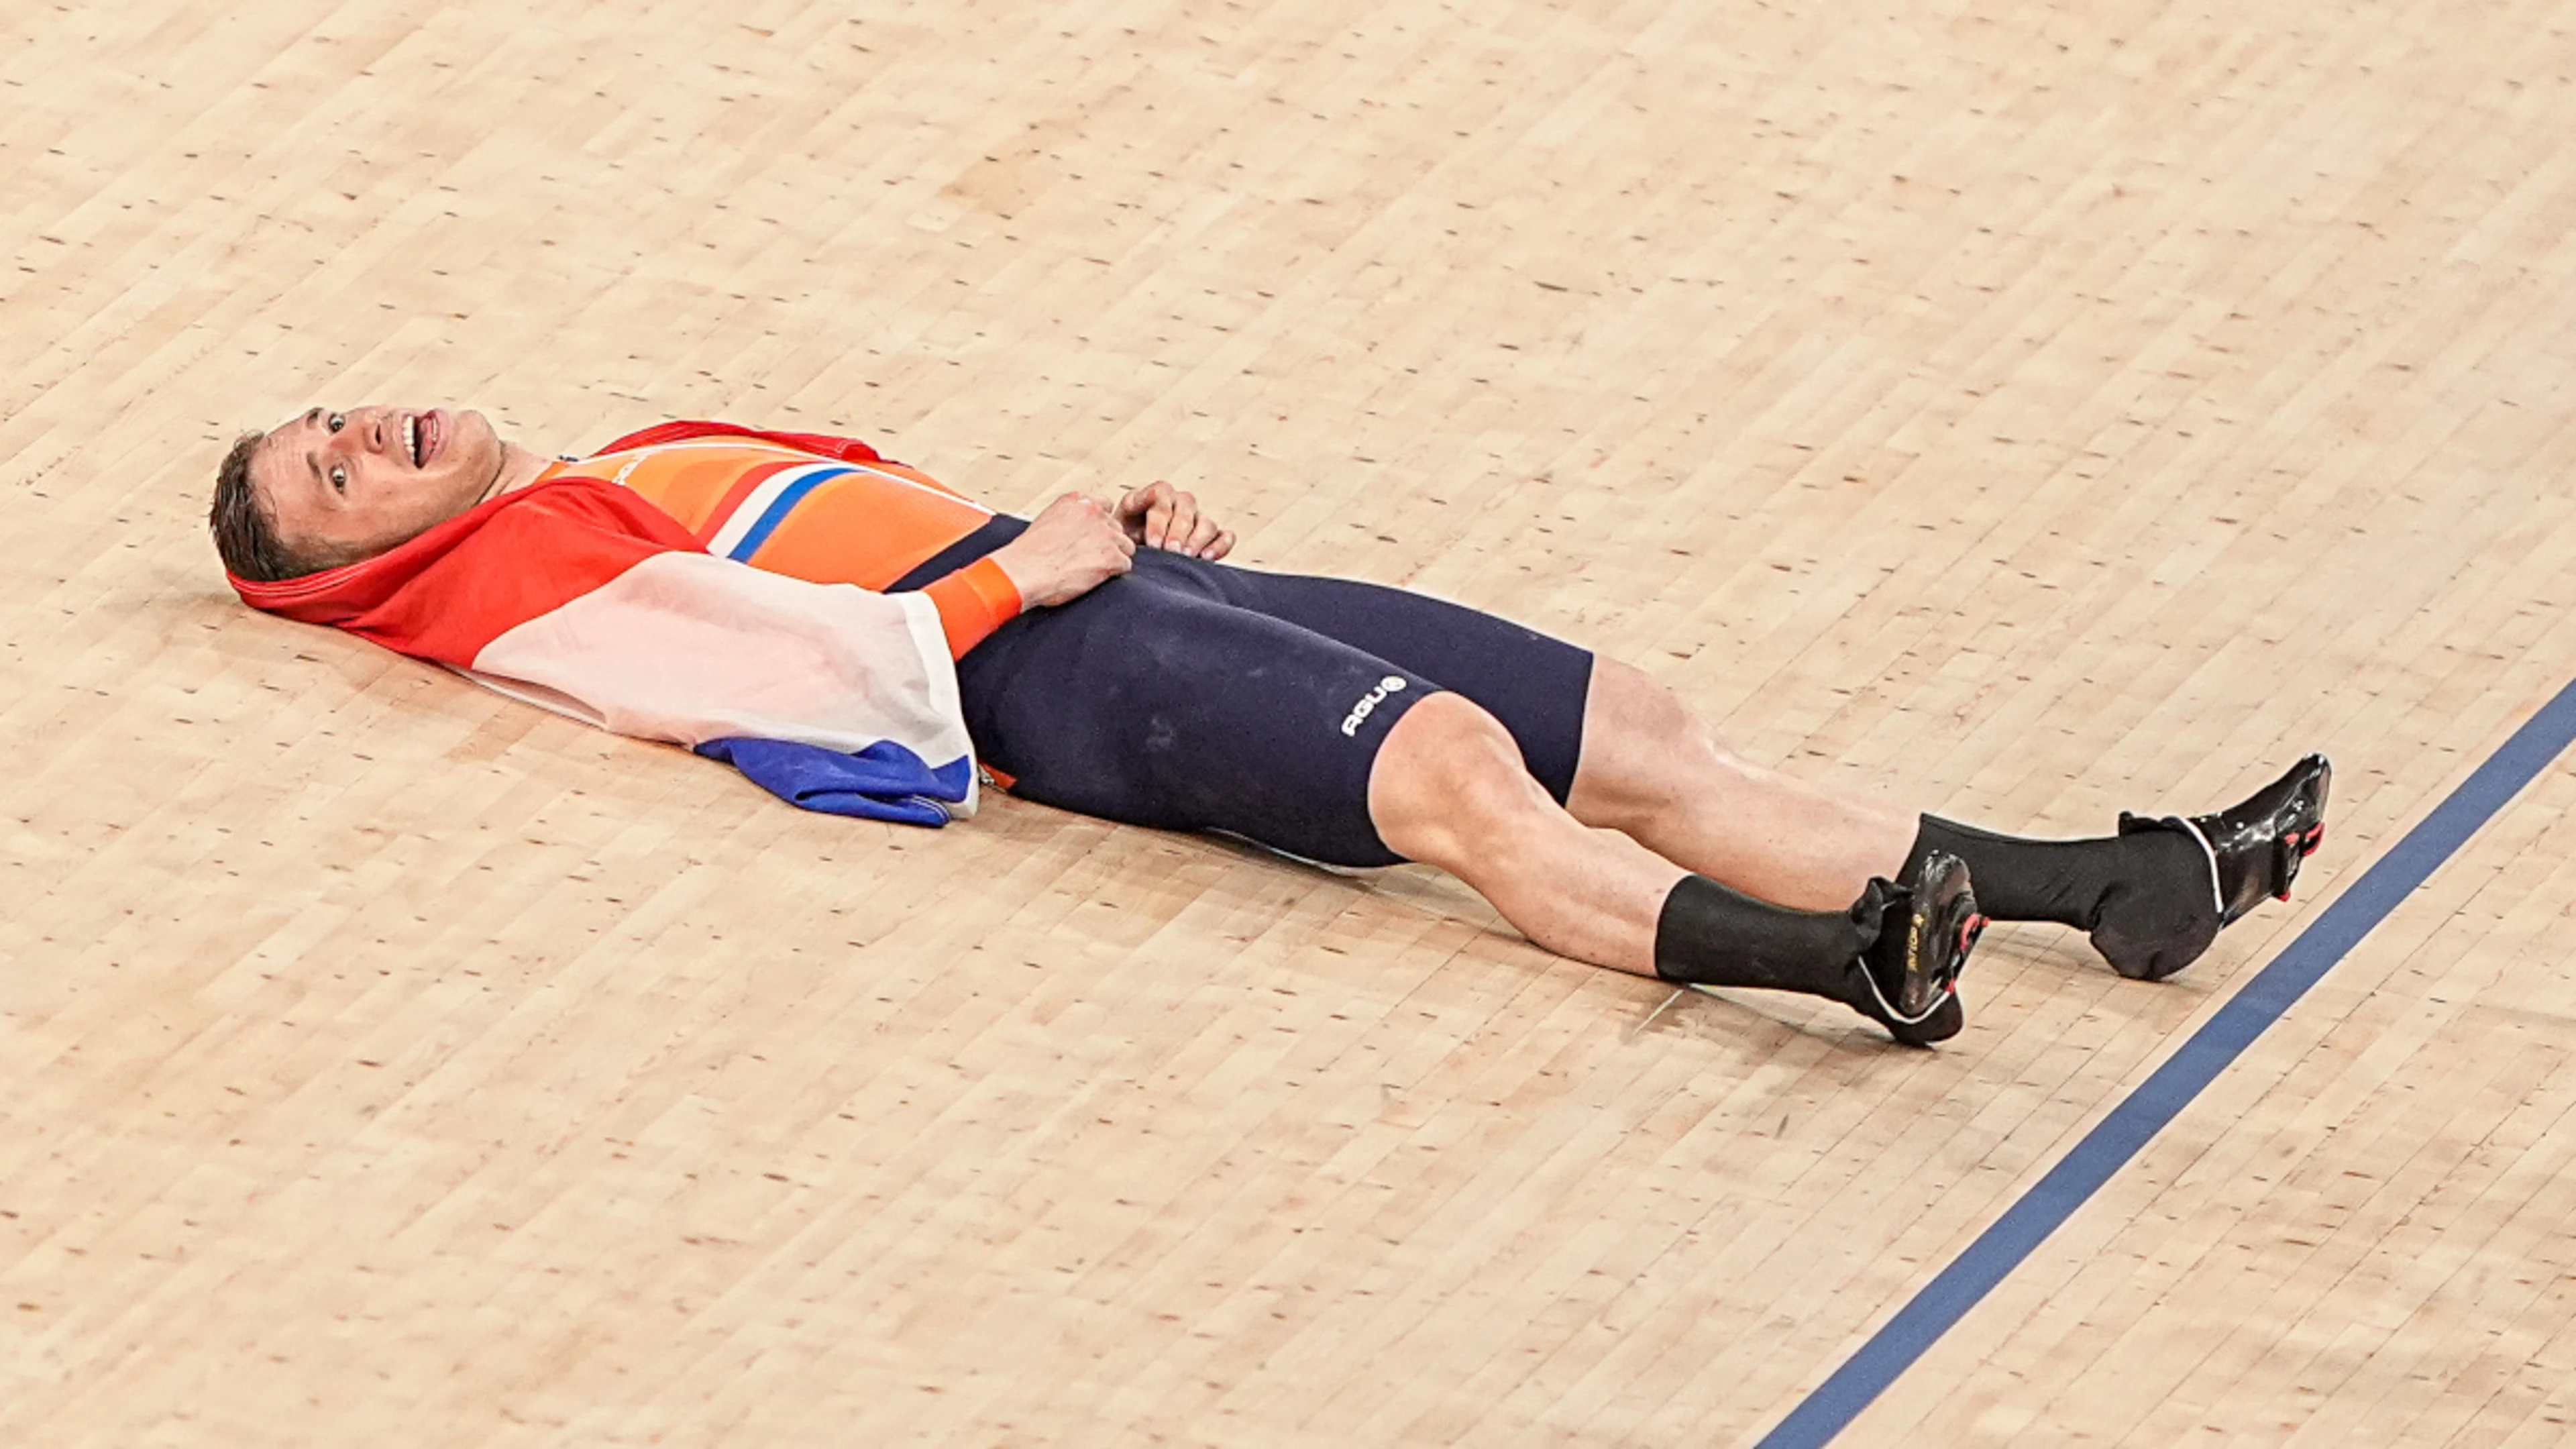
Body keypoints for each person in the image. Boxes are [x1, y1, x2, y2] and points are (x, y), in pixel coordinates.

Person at [207, 403, 2331, 1046]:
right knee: (1456, 786)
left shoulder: (628, 455)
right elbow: (775, 679)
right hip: (1051, 667)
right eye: (330, 476)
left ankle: (2117, 890)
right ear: (342, 567)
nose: (358, 429)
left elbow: (867, 528)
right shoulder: (510, 592)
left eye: (329, 417)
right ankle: (1850, 962)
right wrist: (1013, 587)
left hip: (1111, 588)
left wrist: (1088, 517)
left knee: (1639, 723)